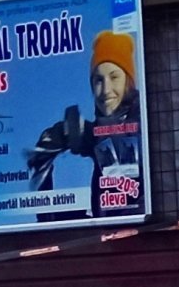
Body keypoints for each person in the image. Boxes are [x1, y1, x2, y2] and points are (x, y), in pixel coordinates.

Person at [25, 31, 145, 215]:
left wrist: (84, 133)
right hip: (108, 236)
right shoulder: (99, 133)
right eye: (98, 80)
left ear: (128, 81)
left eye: (114, 77)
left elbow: (121, 141)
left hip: (138, 236)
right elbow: (39, 159)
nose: (106, 90)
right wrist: (50, 216)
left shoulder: (143, 124)